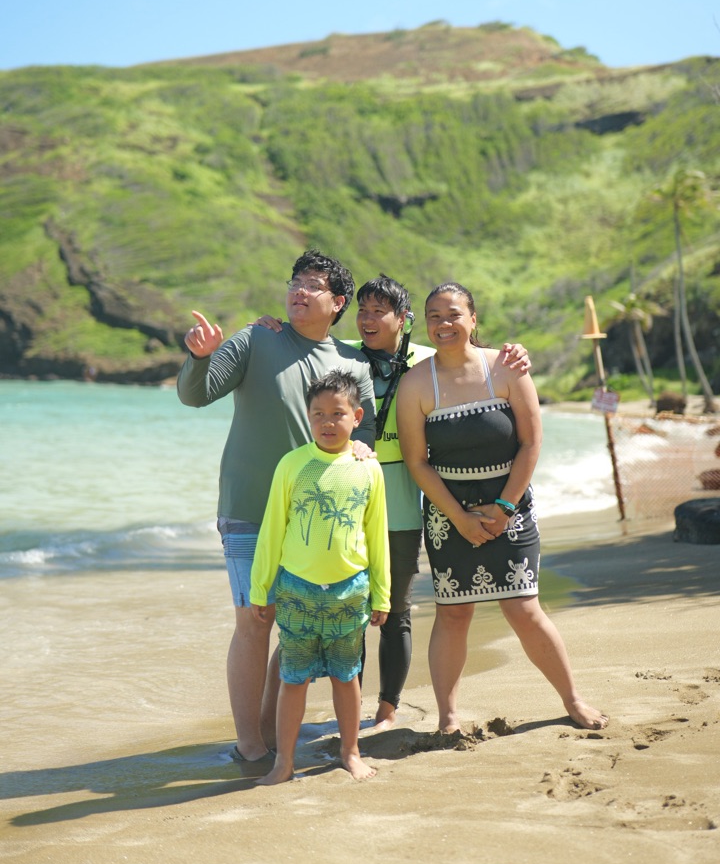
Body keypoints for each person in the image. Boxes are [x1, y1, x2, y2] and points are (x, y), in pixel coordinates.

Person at [253, 275, 531, 730]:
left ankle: (388, 709)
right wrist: (271, 328)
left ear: (403, 320)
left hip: (401, 500)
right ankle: (351, 712)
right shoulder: (343, 356)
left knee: (395, 611)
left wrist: (516, 353)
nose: (367, 320)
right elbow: (304, 350)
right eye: (361, 311)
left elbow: (474, 363)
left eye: (379, 311)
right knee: (352, 614)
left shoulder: (426, 361)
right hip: (345, 506)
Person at [176, 250, 377, 774]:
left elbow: (367, 436)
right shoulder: (257, 338)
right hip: (248, 508)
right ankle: (249, 744)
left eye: (314, 285)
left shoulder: (355, 362)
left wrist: (362, 452)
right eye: (295, 281)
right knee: (254, 618)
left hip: (316, 520)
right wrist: (199, 358)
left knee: (291, 619)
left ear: (337, 303)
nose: (299, 290)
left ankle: (268, 732)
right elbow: (195, 396)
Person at [396, 282, 608, 733]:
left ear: (473, 319)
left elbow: (532, 442)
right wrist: (458, 517)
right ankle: (448, 718)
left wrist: (505, 508)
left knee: (523, 607)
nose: (443, 324)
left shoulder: (507, 368)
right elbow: (417, 461)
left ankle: (572, 700)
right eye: (433, 316)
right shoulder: (416, 382)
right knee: (454, 613)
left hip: (511, 510)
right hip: (447, 515)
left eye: (453, 314)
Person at [250, 370, 390, 783]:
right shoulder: (292, 465)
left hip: (351, 589)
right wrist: (261, 588)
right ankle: (284, 763)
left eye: (337, 413)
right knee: (293, 678)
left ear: (357, 416)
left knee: (347, 676)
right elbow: (272, 529)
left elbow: (376, 534)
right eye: (318, 415)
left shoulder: (369, 469)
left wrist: (382, 594)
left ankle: (351, 753)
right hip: (296, 589)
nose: (328, 423)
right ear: (308, 418)